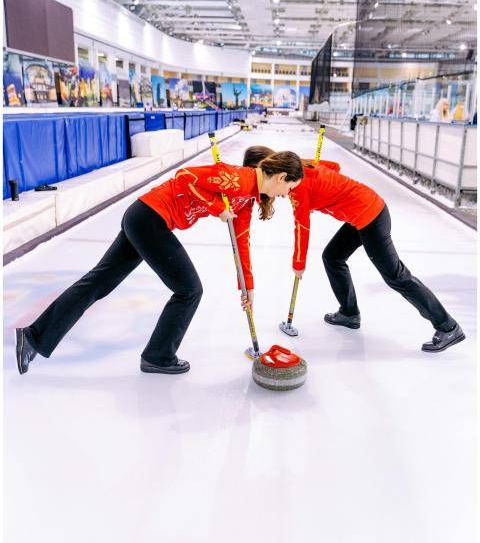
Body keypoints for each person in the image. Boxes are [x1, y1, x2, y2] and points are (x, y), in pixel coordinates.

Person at [15, 151, 304, 376]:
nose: (287, 194)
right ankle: (158, 356)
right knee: (189, 290)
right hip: (151, 218)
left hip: (143, 216)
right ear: (280, 176)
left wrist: (247, 287)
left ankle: (33, 337)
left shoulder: (246, 198)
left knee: (98, 283)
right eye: (290, 187)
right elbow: (185, 176)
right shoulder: (238, 179)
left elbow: (241, 242)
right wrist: (217, 208)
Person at [288, 159, 465, 353]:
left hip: (370, 216)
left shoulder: (298, 190)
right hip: (359, 212)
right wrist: (319, 182)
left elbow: (301, 227)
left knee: (397, 277)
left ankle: (448, 327)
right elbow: (334, 166)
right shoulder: (302, 168)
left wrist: (298, 263)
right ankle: (349, 314)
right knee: (332, 257)